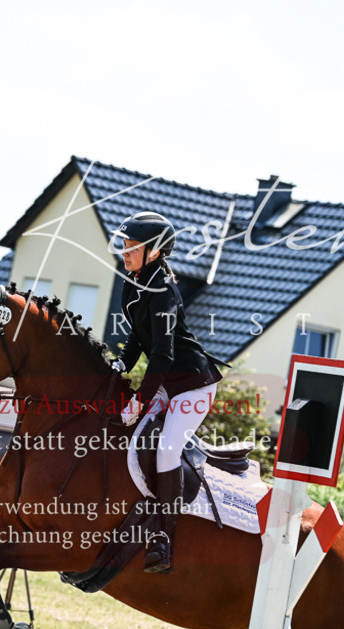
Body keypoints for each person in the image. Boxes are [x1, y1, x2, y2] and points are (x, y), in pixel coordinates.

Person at [111, 211, 224, 574]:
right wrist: (120, 366)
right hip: (166, 380)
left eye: (131, 246)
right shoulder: (134, 282)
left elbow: (162, 352)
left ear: (154, 251)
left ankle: (163, 536)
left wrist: (141, 398)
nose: (124, 252)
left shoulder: (164, 292)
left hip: (192, 384)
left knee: (166, 450)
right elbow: (136, 337)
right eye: (124, 245)